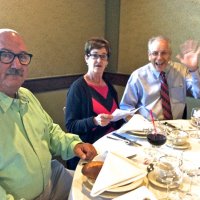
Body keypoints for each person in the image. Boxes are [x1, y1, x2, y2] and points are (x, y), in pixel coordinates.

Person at [0, 28, 97, 200]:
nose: (16, 65)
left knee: (100, 190)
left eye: (22, 57)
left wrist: (72, 145)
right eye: (6, 55)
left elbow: (50, 132)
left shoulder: (26, 95)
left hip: (52, 180)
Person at [65, 37, 124, 169]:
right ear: (86, 58)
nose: (99, 60)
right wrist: (95, 121)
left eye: (103, 56)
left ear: (107, 61)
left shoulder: (109, 86)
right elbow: (71, 125)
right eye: (95, 55)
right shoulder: (78, 88)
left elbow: (116, 120)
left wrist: (126, 117)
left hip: (112, 148)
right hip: (90, 152)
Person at [120, 36, 200, 120]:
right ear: (149, 55)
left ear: (170, 54)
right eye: (155, 53)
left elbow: (198, 93)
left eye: (164, 53)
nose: (159, 58)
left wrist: (193, 69)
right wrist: (139, 124)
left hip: (175, 129)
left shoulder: (181, 71)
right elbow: (126, 107)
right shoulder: (138, 76)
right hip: (148, 128)